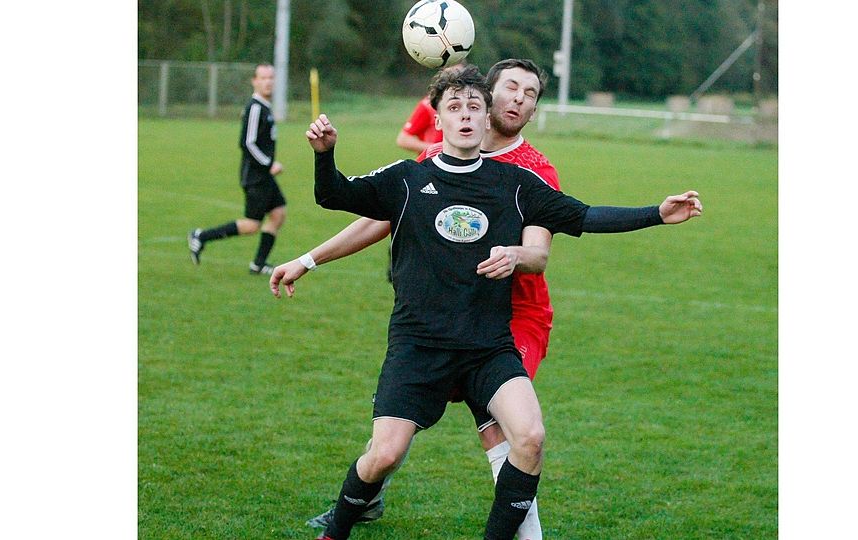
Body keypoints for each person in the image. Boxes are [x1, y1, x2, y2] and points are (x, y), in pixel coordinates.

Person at [275, 65, 701, 540]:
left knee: (529, 437)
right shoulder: (406, 180)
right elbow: (335, 194)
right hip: (420, 344)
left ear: (486, 118)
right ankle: (337, 530)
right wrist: (324, 154)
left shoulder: (516, 185)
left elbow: (584, 216)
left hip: (488, 346)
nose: (465, 116)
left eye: (474, 108)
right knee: (384, 455)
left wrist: (656, 215)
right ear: (436, 119)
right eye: (454, 108)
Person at [289, 58, 562, 539]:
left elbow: (541, 252)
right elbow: (386, 214)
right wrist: (312, 258)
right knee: (395, 437)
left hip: (512, 315)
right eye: (511, 88)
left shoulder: (534, 171)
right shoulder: (442, 154)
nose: (519, 99)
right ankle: (366, 495)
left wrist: (517, 253)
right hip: (442, 313)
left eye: (532, 93)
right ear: (487, 95)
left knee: (510, 432)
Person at [188, 63, 287, 275]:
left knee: (278, 214)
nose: (268, 81)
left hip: (264, 176)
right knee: (252, 225)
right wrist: (270, 164)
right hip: (255, 177)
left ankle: (258, 264)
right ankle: (200, 236)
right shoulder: (255, 108)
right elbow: (247, 143)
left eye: (271, 77)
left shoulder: (265, 108)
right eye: (263, 78)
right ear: (254, 81)